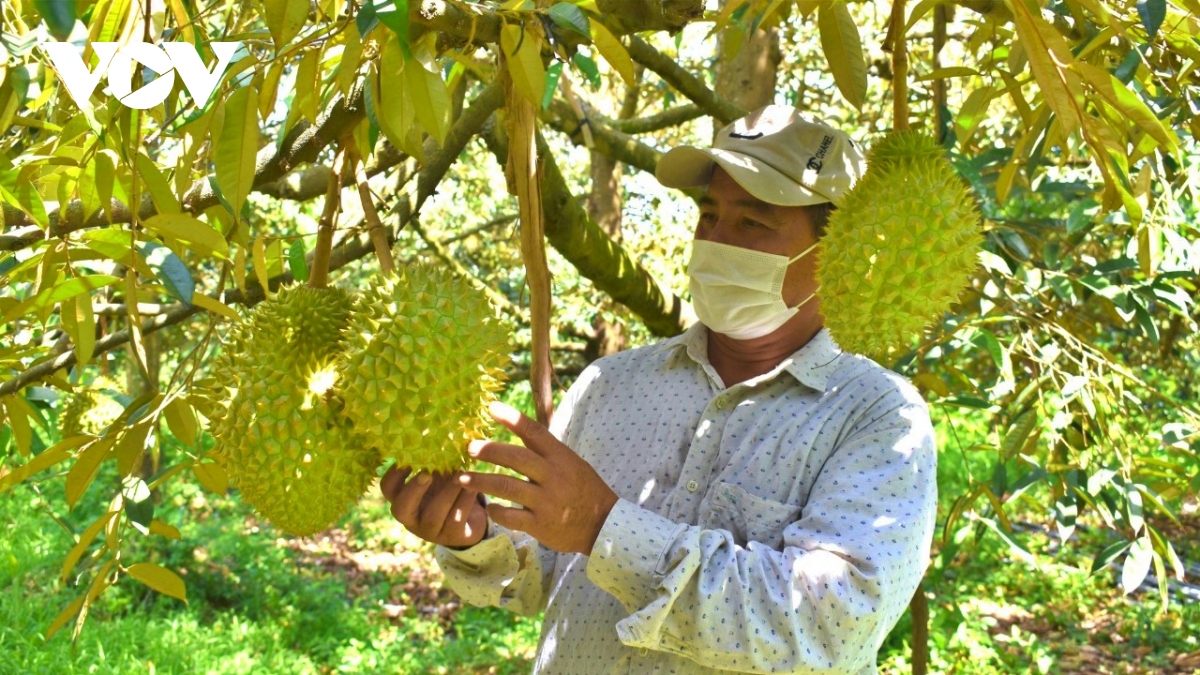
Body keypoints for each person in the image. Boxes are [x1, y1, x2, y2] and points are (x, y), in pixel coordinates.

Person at [379, 105, 938, 674]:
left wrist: (602, 525)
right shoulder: (609, 385)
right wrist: (473, 538)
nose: (716, 240)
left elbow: (825, 628)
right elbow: (537, 577)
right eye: (709, 213)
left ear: (835, 251)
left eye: (753, 223)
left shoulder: (878, 419)